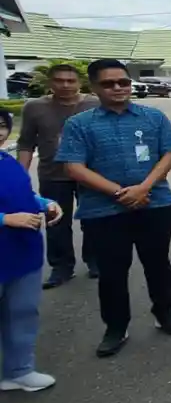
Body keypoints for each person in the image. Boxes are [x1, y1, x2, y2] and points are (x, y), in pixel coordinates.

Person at [57, 59, 171, 358]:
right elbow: (74, 167)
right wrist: (119, 193)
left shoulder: (153, 116)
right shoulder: (80, 124)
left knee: (158, 264)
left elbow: (169, 154)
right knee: (112, 271)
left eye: (123, 82)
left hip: (155, 204)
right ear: (94, 87)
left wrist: (144, 188)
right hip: (103, 212)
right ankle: (116, 326)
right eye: (108, 83)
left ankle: (165, 312)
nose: (118, 88)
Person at [15, 62, 99, 287]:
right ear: (50, 83)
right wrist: (19, 178)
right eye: (59, 81)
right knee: (56, 221)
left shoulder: (95, 104)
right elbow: (25, 143)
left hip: (90, 175)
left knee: (93, 219)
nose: (65, 85)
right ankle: (61, 267)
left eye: (70, 81)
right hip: (52, 175)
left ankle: (95, 261)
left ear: (79, 83)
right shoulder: (34, 107)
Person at [0, 108, 63, 392]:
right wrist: (4, 219)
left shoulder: (6, 161)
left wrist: (44, 203)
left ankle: (19, 370)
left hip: (22, 252)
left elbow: (23, 194)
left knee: (22, 313)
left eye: (2, 125)